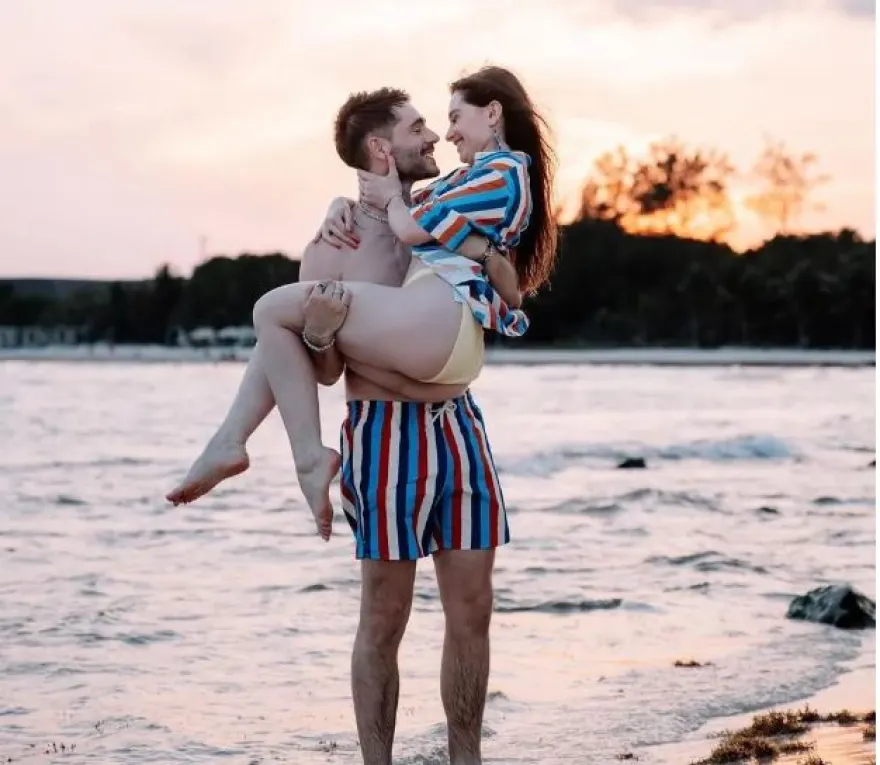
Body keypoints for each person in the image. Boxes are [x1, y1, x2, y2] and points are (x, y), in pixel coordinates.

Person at [165, 66, 557, 552]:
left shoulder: (440, 205)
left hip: (455, 416)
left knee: (270, 310)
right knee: (384, 602)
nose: (436, 135)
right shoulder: (334, 242)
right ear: (380, 149)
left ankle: (267, 449)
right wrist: (320, 335)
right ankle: (267, 450)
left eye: (443, 121)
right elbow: (324, 372)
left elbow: (508, 286)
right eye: (418, 128)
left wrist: (486, 252)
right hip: (383, 429)